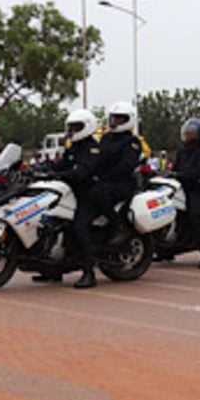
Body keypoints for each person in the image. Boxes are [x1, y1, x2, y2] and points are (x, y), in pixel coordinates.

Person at [78, 102, 141, 288]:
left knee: (98, 192)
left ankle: (118, 225)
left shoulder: (132, 142)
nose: (115, 121)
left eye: (120, 118)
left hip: (121, 185)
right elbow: (97, 160)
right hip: (103, 183)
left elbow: (126, 166)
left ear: (129, 120)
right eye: (114, 117)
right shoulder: (106, 138)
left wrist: (101, 176)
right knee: (79, 224)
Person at [38, 109, 101, 285]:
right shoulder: (73, 147)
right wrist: (44, 169)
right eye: (70, 127)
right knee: (50, 222)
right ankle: (52, 269)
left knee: (80, 227)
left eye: (76, 127)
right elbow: (62, 165)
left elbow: (82, 172)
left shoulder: (92, 148)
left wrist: (61, 175)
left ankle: (89, 272)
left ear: (87, 127)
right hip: (70, 193)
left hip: (87, 195)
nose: (72, 130)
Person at [172, 118, 200, 268]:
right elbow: (175, 168)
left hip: (198, 188)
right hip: (181, 187)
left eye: (191, 134)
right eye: (186, 133)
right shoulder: (182, 150)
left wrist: (178, 175)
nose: (187, 136)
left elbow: (198, 172)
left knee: (195, 216)